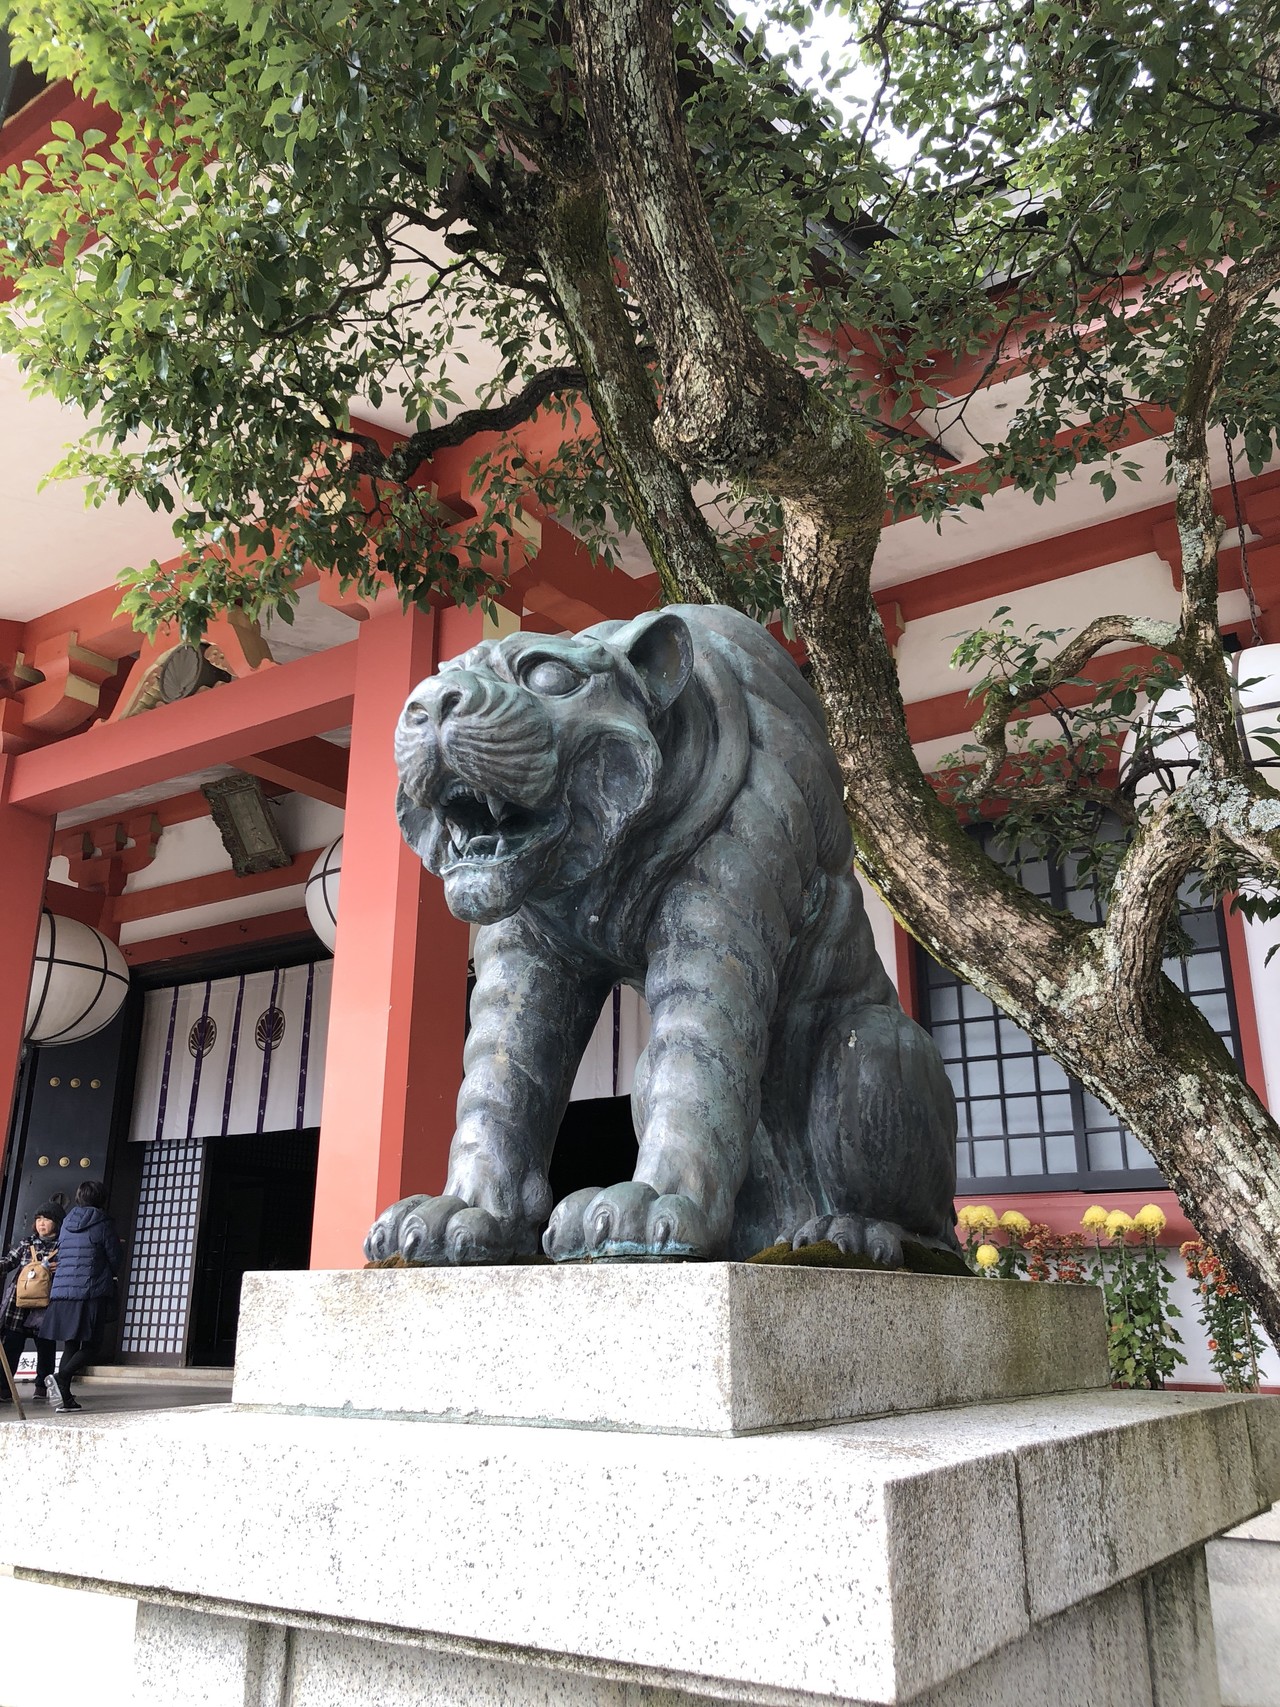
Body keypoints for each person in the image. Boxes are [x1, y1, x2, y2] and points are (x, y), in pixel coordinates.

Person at [41, 1180, 122, 1413]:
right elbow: (115, 1258)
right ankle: (62, 1377)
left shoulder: (67, 1223)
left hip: (64, 1290)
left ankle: (64, 1399)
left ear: (79, 1198)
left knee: (71, 1343)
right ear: (102, 1199)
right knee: (93, 1344)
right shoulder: (103, 1223)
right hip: (90, 1290)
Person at [0, 1199, 64, 1403]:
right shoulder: (26, 1243)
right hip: (19, 1305)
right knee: (11, 1345)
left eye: (47, 1219)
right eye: (38, 1219)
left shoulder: (63, 1247)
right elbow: (8, 1262)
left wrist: (61, 1268)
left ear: (57, 1222)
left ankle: (41, 1387)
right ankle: (4, 1388)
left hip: (46, 1305)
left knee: (46, 1347)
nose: (41, 1223)